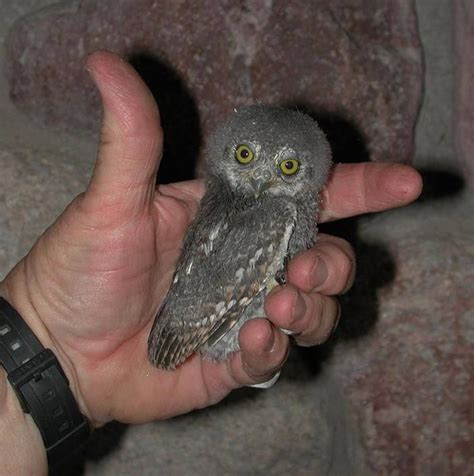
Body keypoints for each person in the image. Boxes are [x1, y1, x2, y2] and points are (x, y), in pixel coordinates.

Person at [0, 51, 422, 474]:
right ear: (224, 151)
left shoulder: (277, 211)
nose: (261, 179)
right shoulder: (271, 216)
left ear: (312, 173)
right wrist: (53, 347)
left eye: (288, 167)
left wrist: (57, 366)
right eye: (244, 157)